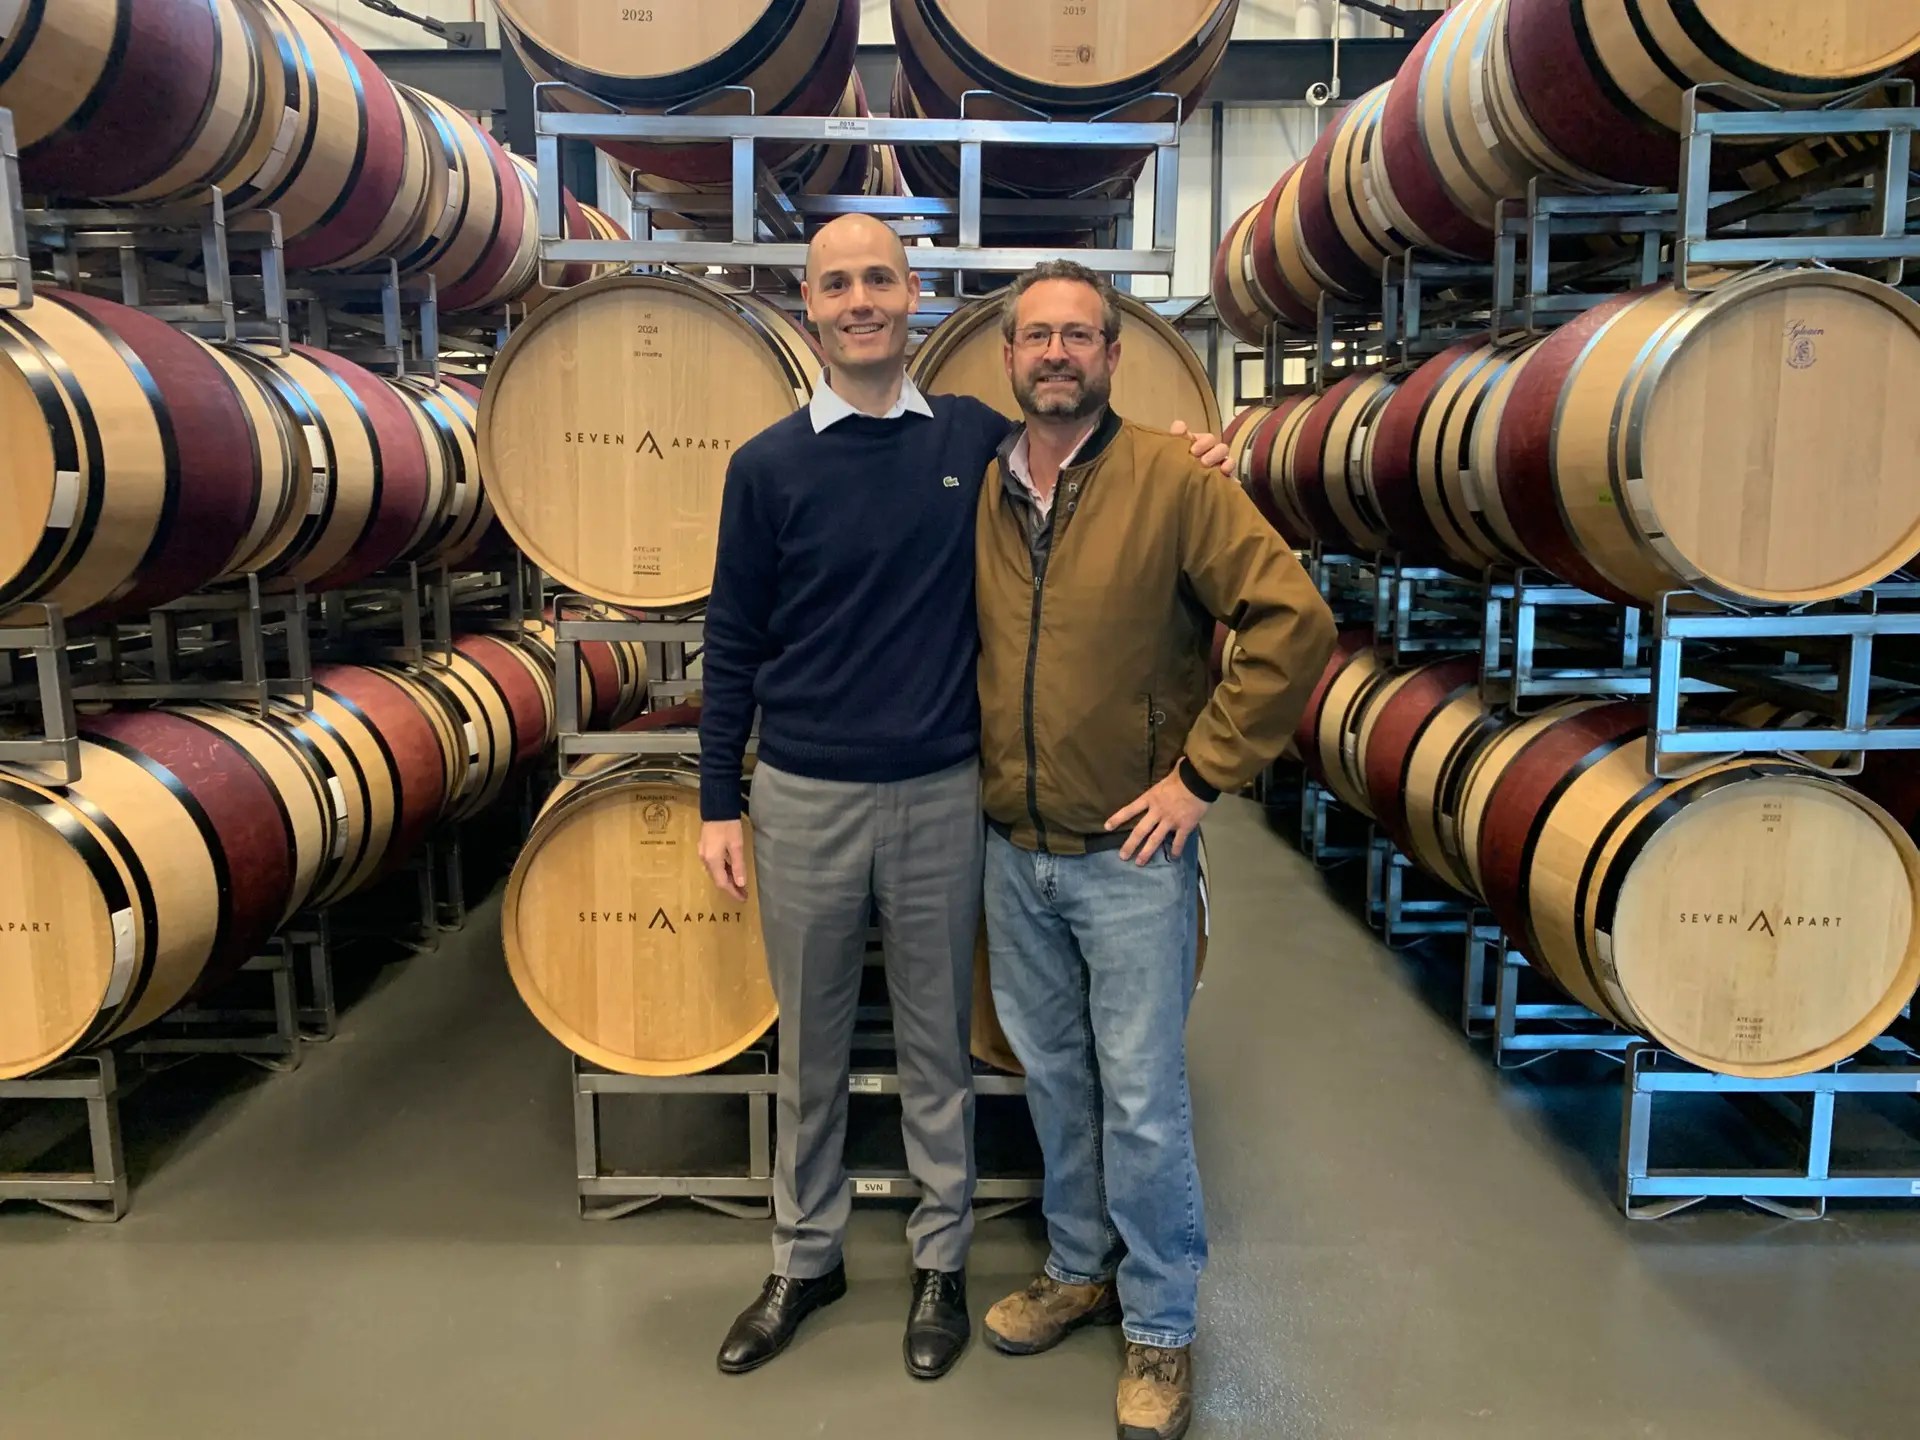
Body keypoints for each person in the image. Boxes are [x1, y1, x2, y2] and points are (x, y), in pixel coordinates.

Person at [696, 216, 1231, 1381]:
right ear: (810, 302)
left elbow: (1094, 457)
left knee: (938, 1043)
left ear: (914, 296)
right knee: (813, 1042)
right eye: (837, 283)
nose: (860, 300)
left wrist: (1199, 456)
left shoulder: (982, 442)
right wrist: (715, 802)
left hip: (941, 792)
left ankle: (941, 1259)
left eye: (879, 278)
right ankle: (805, 1253)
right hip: (801, 794)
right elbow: (731, 641)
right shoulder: (766, 466)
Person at [973, 259, 1337, 1440]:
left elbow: (1294, 620)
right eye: (1038, 337)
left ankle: (1162, 1330)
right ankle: (1078, 1268)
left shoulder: (1174, 481)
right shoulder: (976, 481)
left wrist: (1201, 775)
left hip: (1128, 855)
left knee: (1141, 1097)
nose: (1058, 355)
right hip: (1009, 842)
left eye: (1082, 335)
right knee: (1057, 1078)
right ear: (1009, 357)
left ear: (1115, 357)